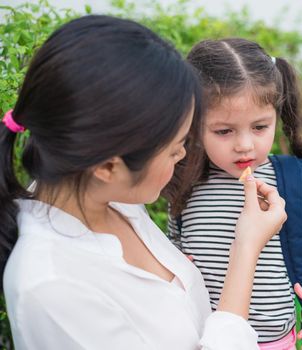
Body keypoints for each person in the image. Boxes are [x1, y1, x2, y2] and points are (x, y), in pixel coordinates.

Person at [0, 16, 286, 349]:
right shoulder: (52, 291)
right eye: (174, 148)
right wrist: (246, 249)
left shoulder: (115, 200)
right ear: (108, 165)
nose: (182, 156)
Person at [167, 38, 302, 350]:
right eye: (224, 131)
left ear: (276, 115)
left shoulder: (290, 183)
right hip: (206, 341)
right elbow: (172, 250)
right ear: (194, 123)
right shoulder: (187, 183)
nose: (245, 145)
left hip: (281, 342)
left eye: (260, 127)